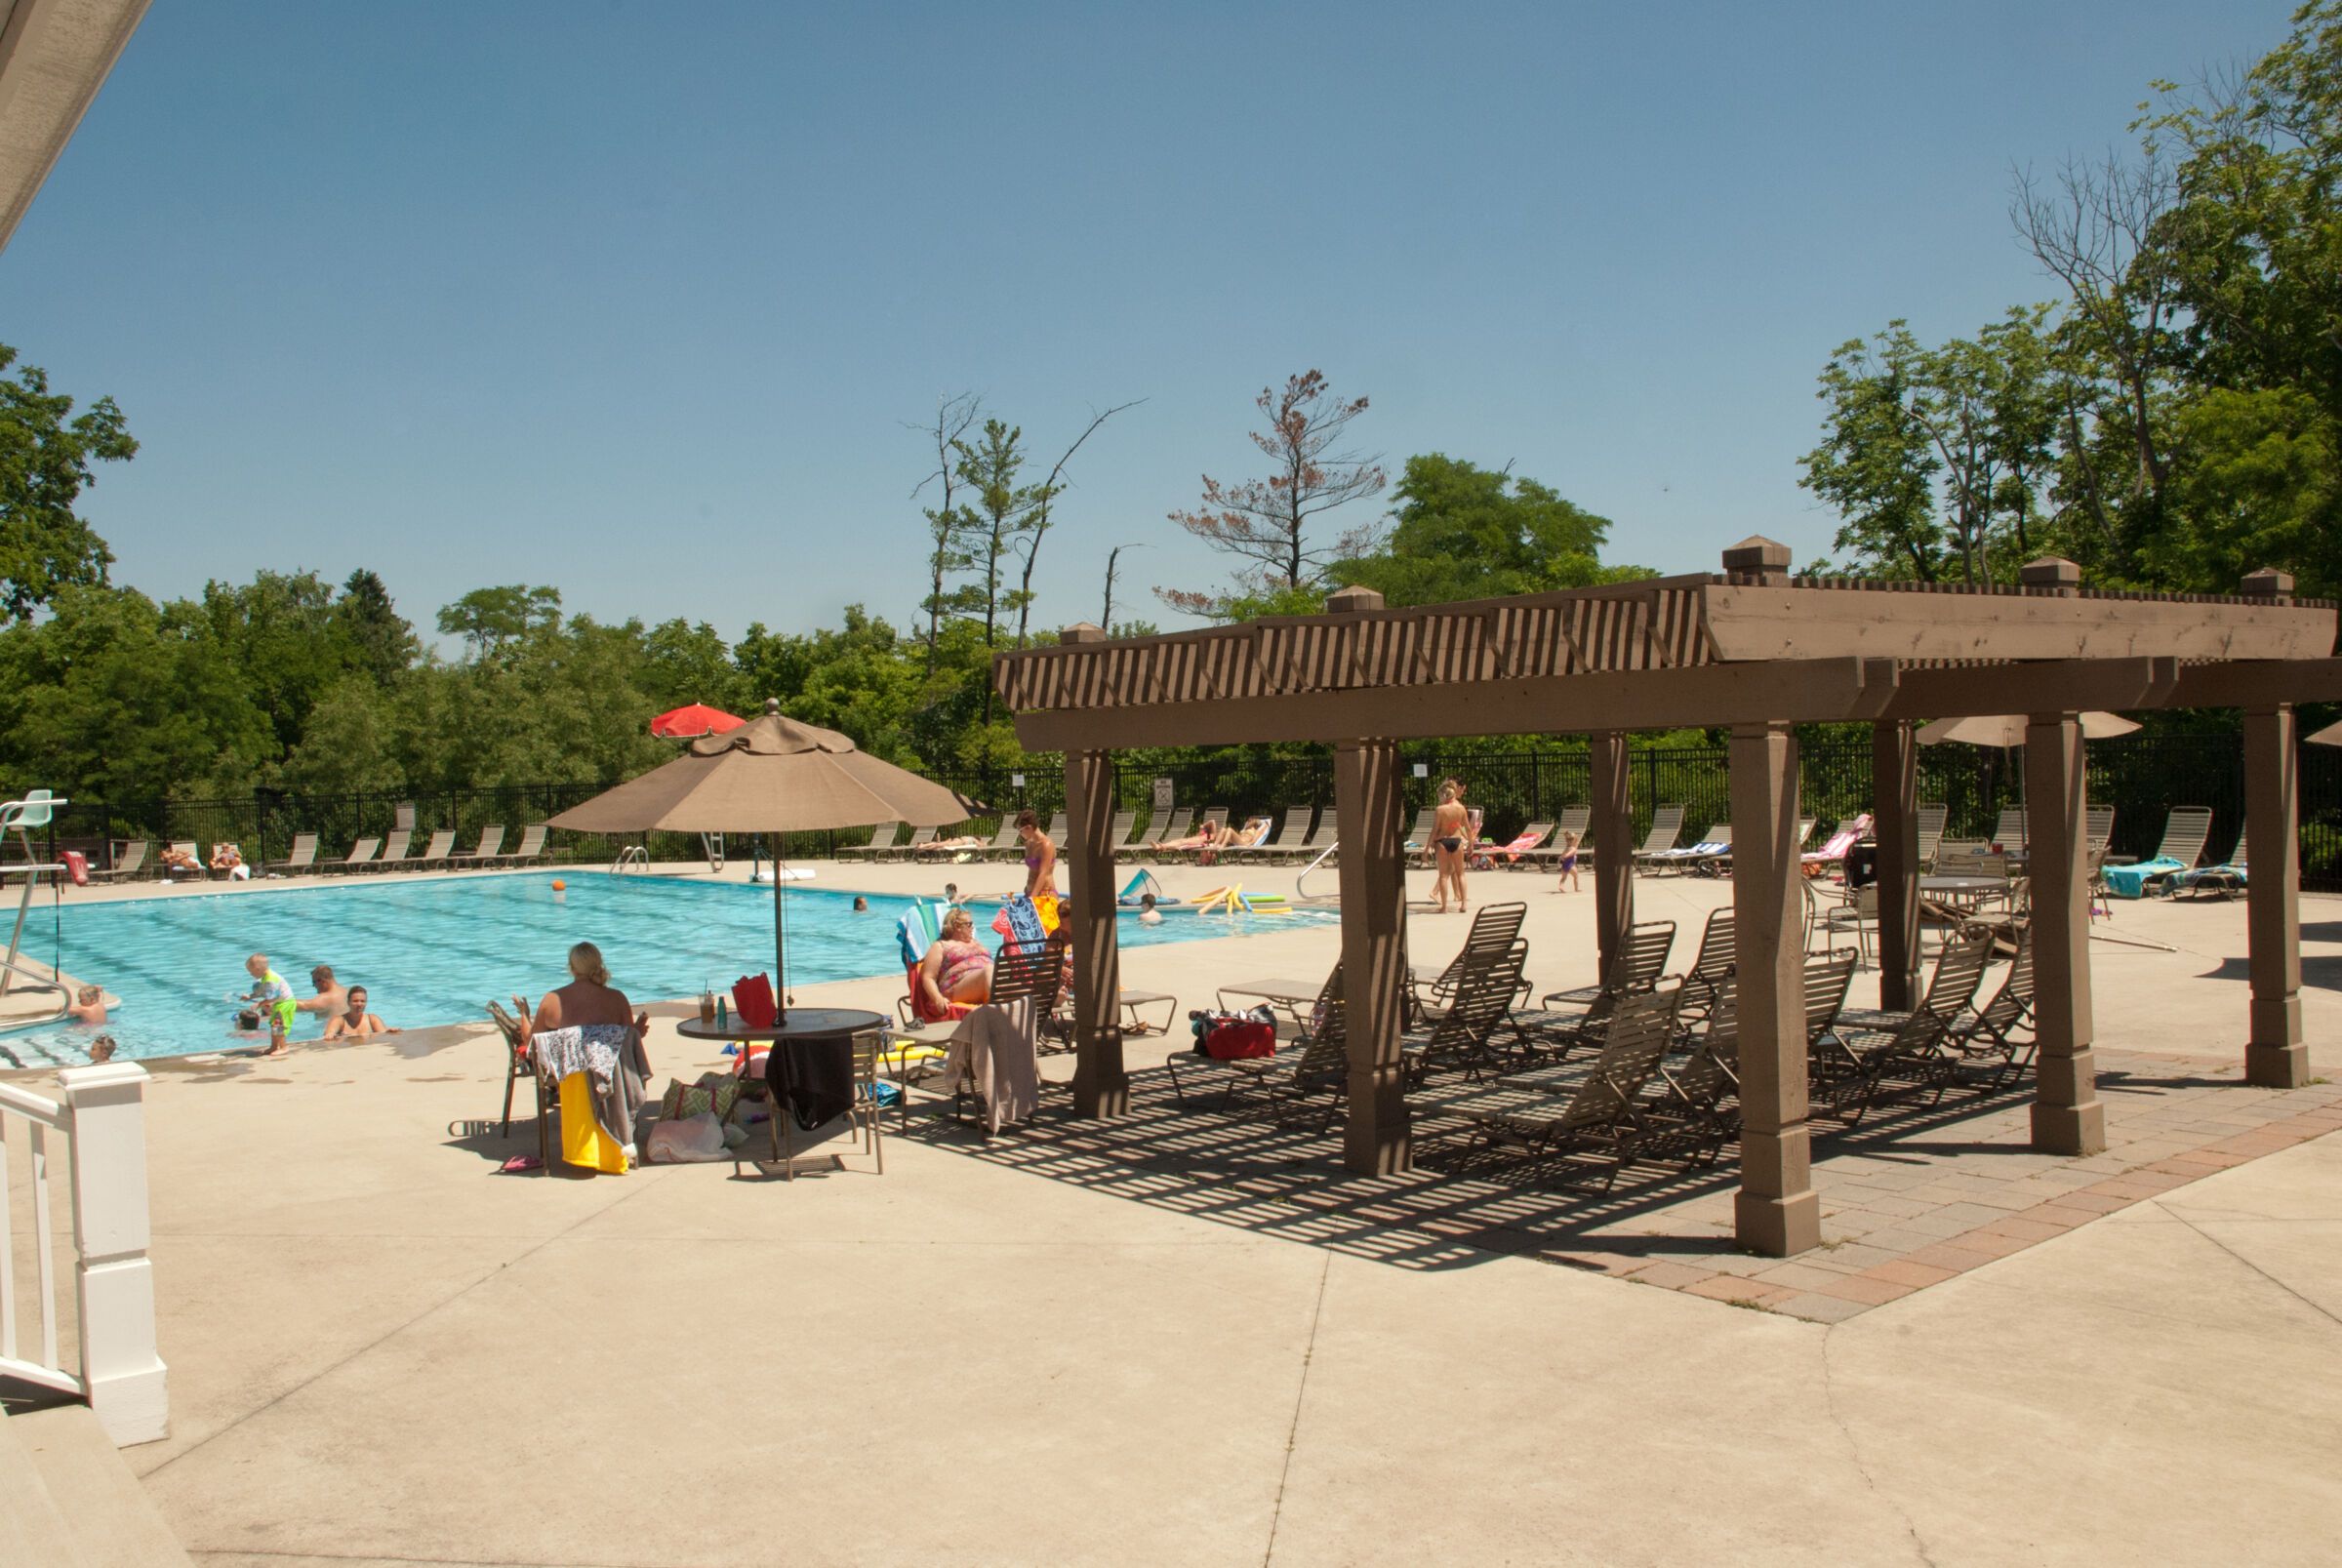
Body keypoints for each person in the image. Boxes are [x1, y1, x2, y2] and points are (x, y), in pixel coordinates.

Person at [521, 942, 651, 1069]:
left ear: (572, 968)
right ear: (599, 965)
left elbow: (531, 1043)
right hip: (611, 1078)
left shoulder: (551, 1000)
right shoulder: (617, 999)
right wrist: (636, 1032)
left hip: (566, 1081)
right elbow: (628, 1044)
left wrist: (524, 1014)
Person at [916, 906, 993, 1016]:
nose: (973, 927)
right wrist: (937, 998)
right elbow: (928, 977)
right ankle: (996, 1010)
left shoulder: (975, 942)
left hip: (983, 981)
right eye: (969, 924)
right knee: (989, 971)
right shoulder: (941, 946)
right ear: (957, 926)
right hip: (956, 988)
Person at [242, 952, 299, 1057]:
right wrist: (250, 997)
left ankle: (283, 1047)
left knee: (278, 1025)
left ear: (258, 969)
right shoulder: (265, 977)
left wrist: (259, 1003)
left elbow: (272, 997)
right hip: (280, 1003)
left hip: (286, 1003)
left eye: (251, 972)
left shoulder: (271, 979)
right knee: (274, 1025)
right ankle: (274, 1046)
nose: (251, 974)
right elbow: (261, 992)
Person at [1433, 782, 1470, 913]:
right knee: (1461, 874)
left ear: (1443, 795)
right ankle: (1464, 904)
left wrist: (1427, 849)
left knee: (1443, 875)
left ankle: (1444, 907)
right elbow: (1468, 829)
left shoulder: (1440, 809)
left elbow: (1434, 830)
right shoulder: (1461, 808)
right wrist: (1471, 844)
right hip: (1457, 841)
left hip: (1442, 842)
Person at [322, 985, 399, 1039]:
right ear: (348, 1002)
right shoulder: (340, 1020)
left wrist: (389, 1031)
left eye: (362, 1001)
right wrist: (331, 1034)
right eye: (355, 1001)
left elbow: (382, 1034)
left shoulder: (372, 1019)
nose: (359, 1004)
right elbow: (329, 1033)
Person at [1016, 809, 1058, 899]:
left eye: (1020, 831)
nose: (1020, 834)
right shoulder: (1028, 844)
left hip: (1045, 893)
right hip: (1029, 892)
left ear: (1028, 827)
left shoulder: (1046, 844)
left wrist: (1032, 897)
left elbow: (1043, 872)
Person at [1555, 828, 1583, 894]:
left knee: (1563, 878)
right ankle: (1576, 889)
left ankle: (1561, 886)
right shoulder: (1573, 849)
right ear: (1573, 841)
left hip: (1564, 865)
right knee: (1576, 876)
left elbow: (1562, 855)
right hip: (1570, 865)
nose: (1577, 842)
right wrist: (1565, 856)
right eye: (1575, 841)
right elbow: (1568, 854)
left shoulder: (1566, 848)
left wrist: (1561, 859)